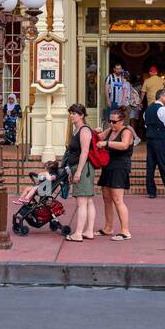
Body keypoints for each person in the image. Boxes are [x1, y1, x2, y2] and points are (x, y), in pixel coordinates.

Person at [97, 107, 134, 240]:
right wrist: (96, 133)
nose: (111, 124)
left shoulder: (126, 131)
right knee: (106, 199)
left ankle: (125, 231)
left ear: (121, 121)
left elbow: (124, 145)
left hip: (120, 167)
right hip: (108, 167)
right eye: (109, 121)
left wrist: (106, 143)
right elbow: (97, 138)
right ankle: (108, 228)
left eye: (114, 122)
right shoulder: (110, 130)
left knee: (118, 199)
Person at [62, 102, 96, 241]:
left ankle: (78, 233)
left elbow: (85, 152)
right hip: (83, 168)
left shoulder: (84, 130)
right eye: (70, 113)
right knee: (88, 201)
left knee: (82, 202)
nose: (71, 116)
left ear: (81, 115)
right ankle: (89, 231)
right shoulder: (79, 130)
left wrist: (78, 171)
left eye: (74, 113)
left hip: (83, 168)